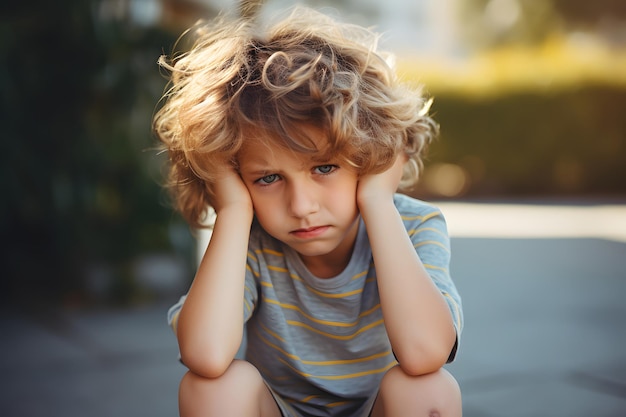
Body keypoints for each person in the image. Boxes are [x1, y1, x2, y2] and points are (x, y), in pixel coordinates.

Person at [153, 5, 463, 417]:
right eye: (267, 178)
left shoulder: (414, 225)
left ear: (371, 158)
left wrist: (377, 202)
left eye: (324, 168)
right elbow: (205, 354)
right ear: (233, 177)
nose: (300, 207)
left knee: (428, 390)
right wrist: (231, 210)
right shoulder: (249, 240)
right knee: (211, 388)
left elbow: (426, 353)